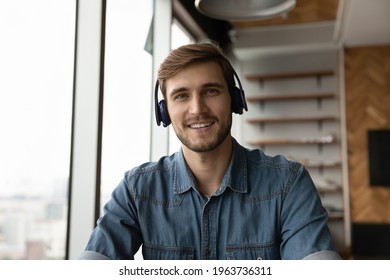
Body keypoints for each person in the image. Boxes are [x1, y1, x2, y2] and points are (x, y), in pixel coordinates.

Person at [78, 42, 341, 260]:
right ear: (164, 112)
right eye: (181, 95)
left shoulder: (289, 183)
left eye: (211, 91)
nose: (197, 109)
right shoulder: (137, 190)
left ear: (235, 100)